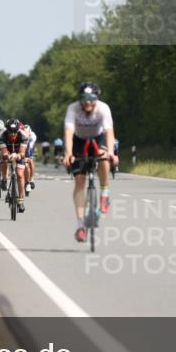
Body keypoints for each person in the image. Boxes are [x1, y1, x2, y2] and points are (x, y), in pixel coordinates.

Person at [62, 82, 117, 243]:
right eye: (84, 98)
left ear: (96, 98)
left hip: (98, 138)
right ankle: (80, 226)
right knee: (79, 181)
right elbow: (68, 132)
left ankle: (105, 193)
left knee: (103, 156)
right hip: (78, 140)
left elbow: (109, 132)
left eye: (91, 98)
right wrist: (68, 153)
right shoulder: (73, 109)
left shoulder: (103, 108)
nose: (88, 102)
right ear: (80, 99)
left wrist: (111, 153)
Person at [0, 119, 27, 213]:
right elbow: (3, 152)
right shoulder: (2, 135)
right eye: (11, 132)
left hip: (19, 153)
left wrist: (17, 155)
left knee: (19, 175)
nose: (13, 134)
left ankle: (21, 200)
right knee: (3, 160)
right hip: (8, 152)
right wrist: (8, 155)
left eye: (15, 132)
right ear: (7, 130)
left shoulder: (23, 135)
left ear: (18, 130)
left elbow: (22, 153)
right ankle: (4, 178)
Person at [20, 122, 37, 196]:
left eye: (28, 134)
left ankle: (31, 179)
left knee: (30, 162)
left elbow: (30, 147)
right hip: (20, 147)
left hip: (28, 147)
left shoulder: (33, 136)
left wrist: (28, 158)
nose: (26, 135)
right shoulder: (20, 134)